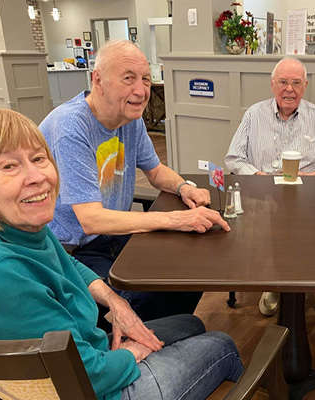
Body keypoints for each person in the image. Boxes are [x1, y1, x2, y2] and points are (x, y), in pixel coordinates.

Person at [0, 108, 244, 400]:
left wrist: (115, 302)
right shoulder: (0, 273)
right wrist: (132, 354)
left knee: (191, 324)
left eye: (39, 158)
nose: (37, 175)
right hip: (96, 388)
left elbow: (68, 263)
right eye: (9, 166)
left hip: (85, 355)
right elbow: (86, 375)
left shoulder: (12, 231)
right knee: (222, 344)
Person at [39, 40, 229, 330]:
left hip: (114, 236)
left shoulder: (130, 118)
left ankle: (156, 337)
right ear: (98, 80)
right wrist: (175, 219)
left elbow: (155, 171)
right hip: (70, 252)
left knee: (193, 268)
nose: (140, 91)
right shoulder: (70, 127)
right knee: (139, 293)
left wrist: (183, 188)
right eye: (128, 78)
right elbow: (90, 220)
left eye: (145, 80)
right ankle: (129, 342)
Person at [224, 57, 315, 316]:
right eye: (283, 82)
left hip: (307, 198)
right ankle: (273, 282)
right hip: (262, 196)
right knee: (263, 227)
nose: (289, 89)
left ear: (305, 86)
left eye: (296, 83)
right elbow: (233, 159)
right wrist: (259, 176)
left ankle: (296, 281)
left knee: (305, 229)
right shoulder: (254, 114)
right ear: (272, 85)